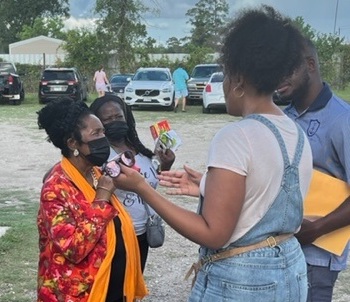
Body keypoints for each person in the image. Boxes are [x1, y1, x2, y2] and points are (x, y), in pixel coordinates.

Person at [111, 5, 313, 301]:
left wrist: (142, 188)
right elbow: (266, 194)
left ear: (239, 77)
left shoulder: (235, 136)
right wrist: (207, 186)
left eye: (224, 75)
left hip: (242, 280)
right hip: (290, 270)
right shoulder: (296, 132)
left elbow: (213, 234)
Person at [36, 98, 147, 302]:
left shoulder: (96, 173)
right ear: (72, 143)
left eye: (103, 132)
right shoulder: (55, 188)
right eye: (96, 134)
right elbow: (73, 249)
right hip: (76, 294)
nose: (103, 139)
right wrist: (102, 199)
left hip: (109, 287)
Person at [278, 38, 350, 302]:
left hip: (317, 258)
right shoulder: (282, 118)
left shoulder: (343, 120)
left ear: (310, 65)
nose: (278, 78)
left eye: (286, 69)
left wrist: (317, 228)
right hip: (280, 249)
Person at [90, 94, 175, 272]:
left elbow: (149, 183)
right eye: (108, 119)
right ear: (99, 124)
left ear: (126, 116)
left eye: (119, 116)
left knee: (135, 282)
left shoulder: (139, 150)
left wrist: (165, 166)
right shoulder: (100, 156)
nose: (115, 121)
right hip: (117, 233)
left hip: (143, 231)